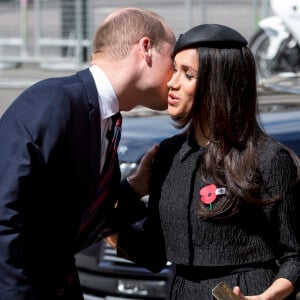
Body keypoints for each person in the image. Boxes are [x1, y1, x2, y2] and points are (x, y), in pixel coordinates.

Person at [107, 24, 300, 299]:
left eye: (188, 75)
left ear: (219, 84)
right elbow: (153, 252)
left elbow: (296, 256)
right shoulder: (168, 156)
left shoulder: (269, 158)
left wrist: (266, 297)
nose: (172, 83)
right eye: (174, 69)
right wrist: (124, 195)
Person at [0, 7, 175, 300]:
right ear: (146, 49)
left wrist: (132, 189)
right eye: (173, 58)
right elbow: (5, 216)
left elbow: (69, 214)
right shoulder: (54, 102)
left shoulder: (104, 120)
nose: (175, 76)